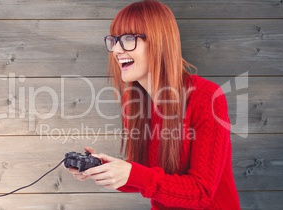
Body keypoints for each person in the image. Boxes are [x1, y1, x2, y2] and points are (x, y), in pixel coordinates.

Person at [67, 0, 241, 209]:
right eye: (114, 41)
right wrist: (103, 168)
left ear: (159, 42)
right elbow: (146, 175)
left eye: (129, 39)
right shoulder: (134, 103)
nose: (116, 51)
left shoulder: (207, 97)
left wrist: (133, 174)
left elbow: (202, 192)